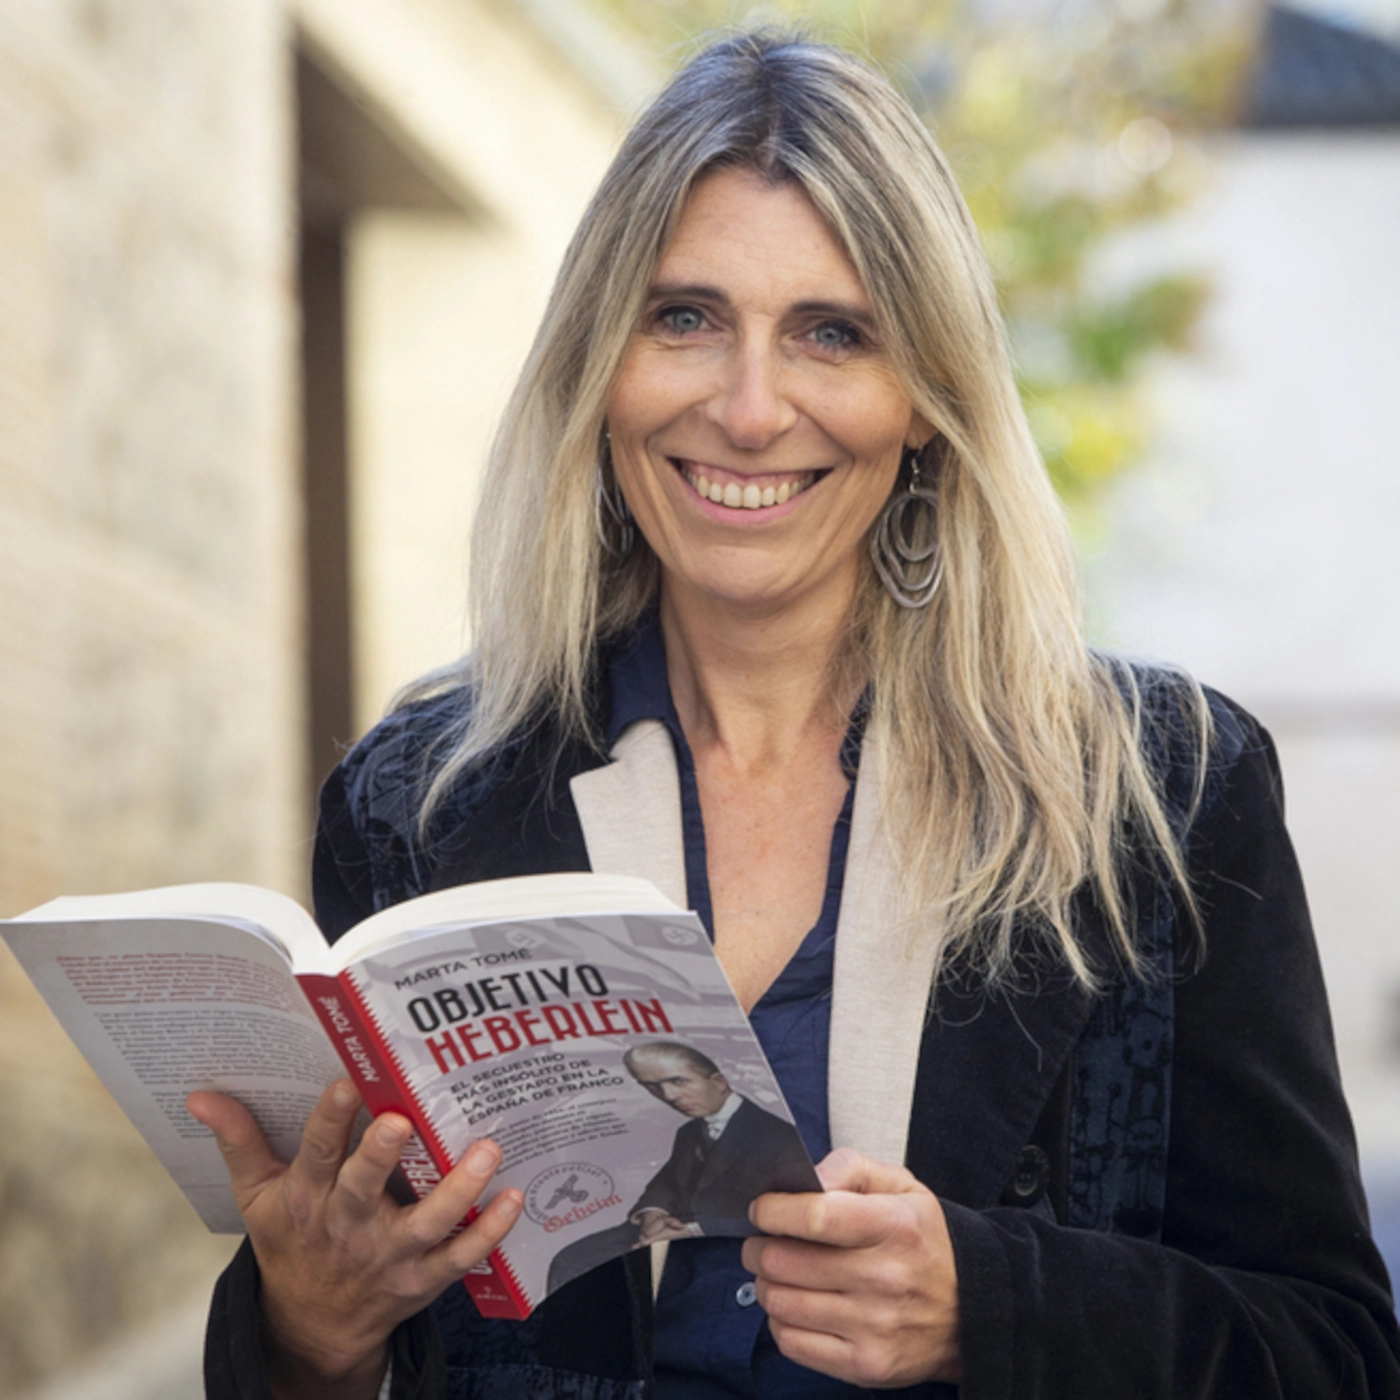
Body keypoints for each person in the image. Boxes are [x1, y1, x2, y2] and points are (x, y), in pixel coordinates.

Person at [192, 29, 1400, 1400]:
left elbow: (1337, 1354)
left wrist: (990, 1304)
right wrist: (308, 1333)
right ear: (601, 368)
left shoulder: (1164, 792)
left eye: (833, 333)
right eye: (685, 318)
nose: (751, 408)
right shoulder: (416, 805)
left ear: (926, 401)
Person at [546, 1042, 816, 1294]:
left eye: (678, 1081)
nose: (669, 1096)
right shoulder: (689, 1131)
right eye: (652, 1087)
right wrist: (652, 1212)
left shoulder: (779, 1135)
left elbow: (797, 1211)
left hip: (727, 1239)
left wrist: (693, 1230)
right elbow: (667, 1181)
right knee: (571, 1260)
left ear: (719, 1082)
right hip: (670, 1226)